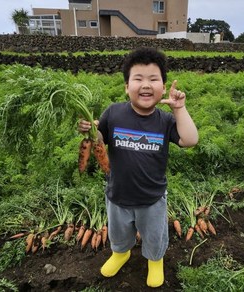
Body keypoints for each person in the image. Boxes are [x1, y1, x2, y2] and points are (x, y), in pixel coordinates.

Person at [78, 47, 199, 288]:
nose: (146, 84)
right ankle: (120, 254)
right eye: (138, 79)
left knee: (154, 235)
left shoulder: (165, 120)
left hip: (152, 197)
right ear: (126, 87)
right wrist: (91, 130)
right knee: (119, 233)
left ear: (163, 87)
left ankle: (155, 261)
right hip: (118, 195)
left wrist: (179, 108)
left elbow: (190, 140)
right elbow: (99, 141)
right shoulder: (114, 113)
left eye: (153, 79)